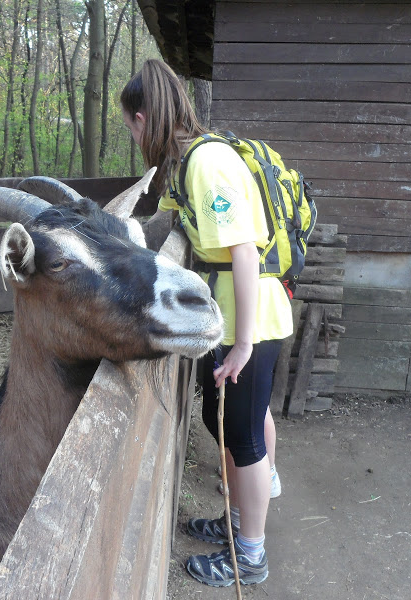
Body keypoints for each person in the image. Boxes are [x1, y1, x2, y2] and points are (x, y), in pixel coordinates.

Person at [120, 59, 293, 587]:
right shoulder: (185, 163)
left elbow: (243, 251)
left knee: (242, 435)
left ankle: (251, 555)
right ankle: (238, 520)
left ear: (143, 118)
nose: (132, 138)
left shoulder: (207, 163)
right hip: (238, 315)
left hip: (251, 319)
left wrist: (242, 344)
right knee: (240, 422)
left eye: (130, 127)